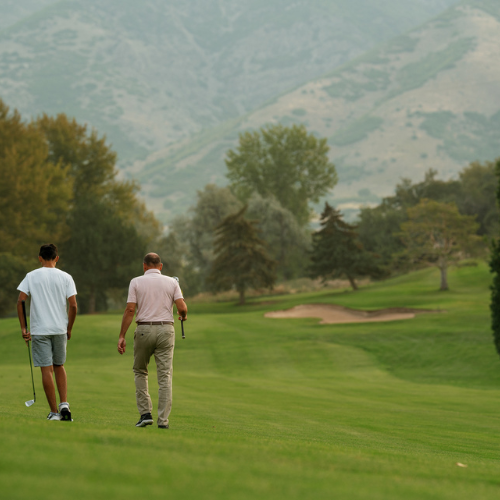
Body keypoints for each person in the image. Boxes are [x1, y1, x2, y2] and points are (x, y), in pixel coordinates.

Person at [117, 252, 187, 429]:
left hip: (144, 329)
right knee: (165, 376)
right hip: (166, 330)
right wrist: (182, 315)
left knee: (140, 371)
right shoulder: (172, 282)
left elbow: (130, 310)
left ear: (144, 266)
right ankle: (163, 421)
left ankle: (145, 414)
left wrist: (122, 335)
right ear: (160, 266)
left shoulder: (136, 281)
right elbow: (182, 307)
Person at [17, 243, 78, 421]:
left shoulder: (31, 276)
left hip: (39, 330)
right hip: (59, 329)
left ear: (40, 258)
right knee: (59, 365)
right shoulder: (66, 277)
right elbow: (73, 305)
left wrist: (23, 328)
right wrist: (69, 328)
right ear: (57, 258)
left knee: (46, 370)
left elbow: (21, 300)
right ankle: (64, 403)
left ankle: (54, 413)